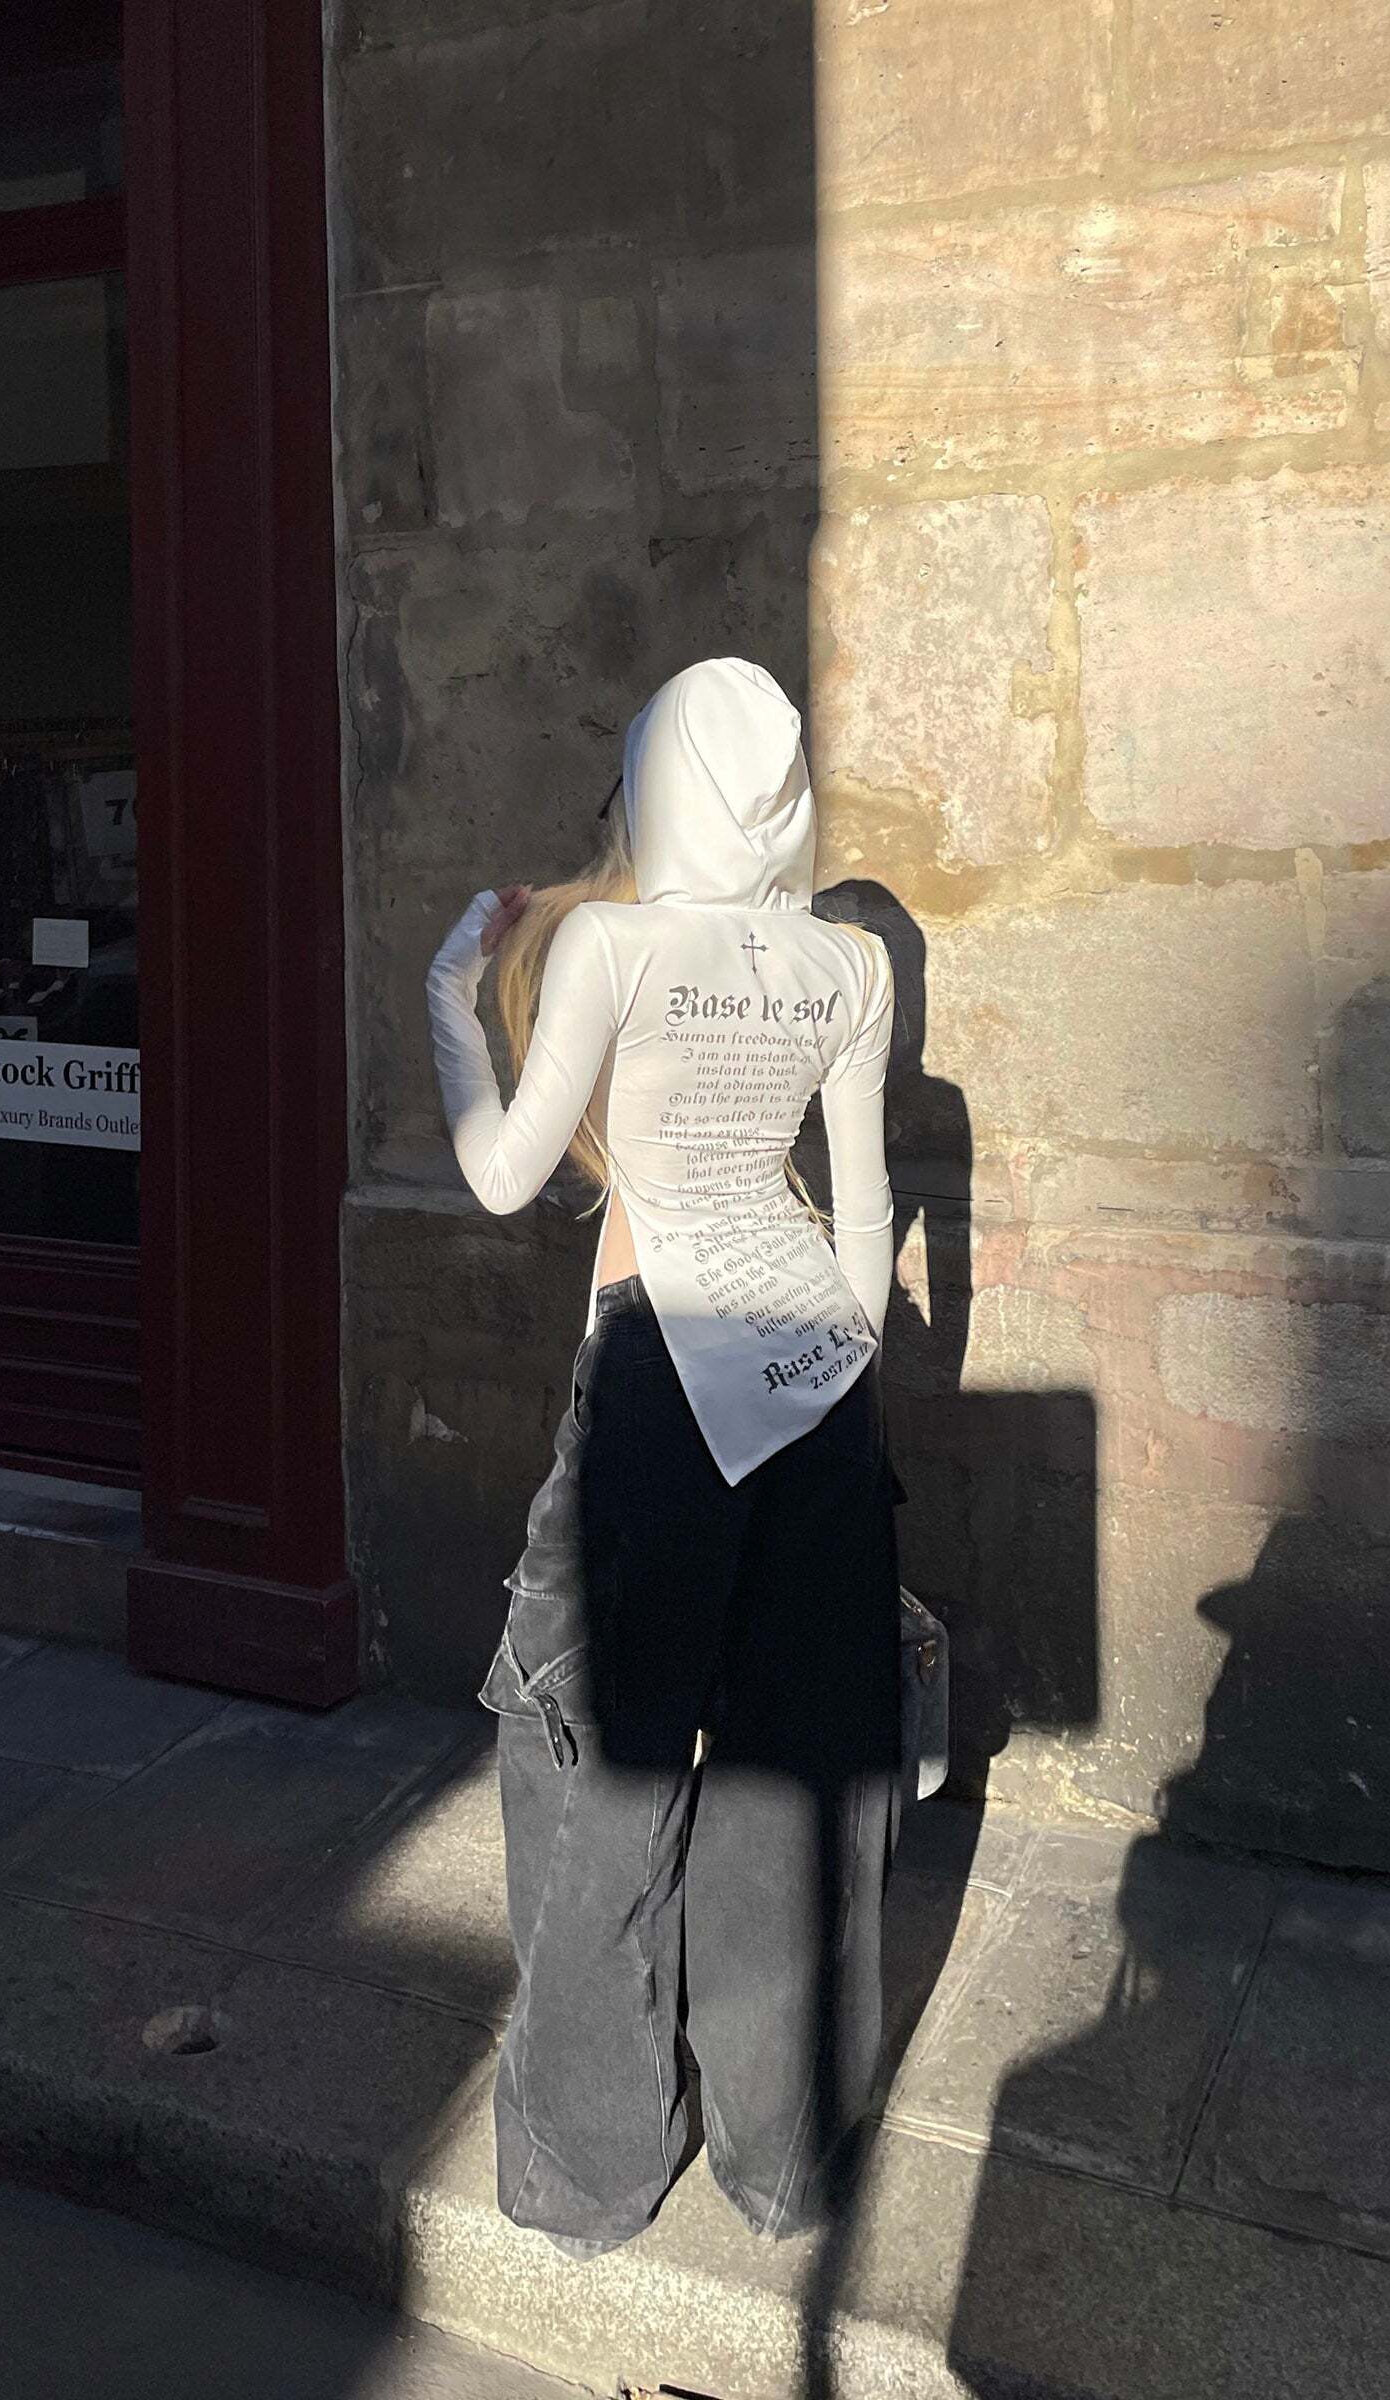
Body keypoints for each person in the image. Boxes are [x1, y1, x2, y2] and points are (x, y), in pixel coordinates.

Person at [425, 657, 904, 2259]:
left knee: (590, 1765)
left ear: (658, 783)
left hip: (657, 1378)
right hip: (819, 1378)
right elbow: (864, 1214)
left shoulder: (614, 947)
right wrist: (833, 1388)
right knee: (800, 1763)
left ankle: (594, 2170)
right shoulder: (851, 965)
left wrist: (447, 1005)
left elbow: (505, 1176)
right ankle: (785, 2162)